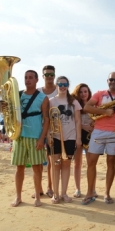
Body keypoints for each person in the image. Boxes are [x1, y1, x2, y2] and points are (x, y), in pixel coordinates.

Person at [81, 72, 115, 205]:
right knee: (91, 162)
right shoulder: (99, 94)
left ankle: (107, 193)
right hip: (98, 131)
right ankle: (89, 192)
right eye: (111, 79)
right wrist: (104, 112)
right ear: (107, 80)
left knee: (111, 162)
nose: (113, 81)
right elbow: (86, 107)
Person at [10, 70, 49, 207]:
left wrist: (42, 138)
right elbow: (10, 113)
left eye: (31, 77)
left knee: (37, 168)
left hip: (35, 136)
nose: (28, 80)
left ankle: (37, 196)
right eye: (26, 77)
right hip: (19, 136)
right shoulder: (17, 95)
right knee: (19, 168)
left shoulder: (43, 98)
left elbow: (46, 119)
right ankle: (18, 196)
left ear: (37, 80)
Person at [48, 76, 81, 204]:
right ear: (56, 85)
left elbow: (78, 121)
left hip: (70, 137)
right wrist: (48, 135)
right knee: (55, 165)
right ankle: (55, 194)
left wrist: (78, 138)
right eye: (60, 84)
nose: (62, 86)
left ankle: (64, 193)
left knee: (66, 165)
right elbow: (48, 120)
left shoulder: (74, 102)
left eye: (65, 84)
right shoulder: (51, 101)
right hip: (55, 137)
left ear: (68, 85)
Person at [71, 83, 96, 198]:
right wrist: (83, 127)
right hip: (78, 135)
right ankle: (77, 189)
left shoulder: (94, 104)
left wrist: (93, 126)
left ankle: (92, 189)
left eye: (85, 91)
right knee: (77, 163)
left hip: (91, 136)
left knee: (91, 163)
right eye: (81, 92)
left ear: (89, 92)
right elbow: (73, 121)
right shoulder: (75, 105)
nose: (83, 94)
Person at [38, 65, 58, 199]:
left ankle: (50, 187)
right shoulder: (38, 91)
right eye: (47, 75)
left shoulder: (59, 90)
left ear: (54, 76)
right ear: (43, 76)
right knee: (38, 160)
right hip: (38, 129)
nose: (49, 77)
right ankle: (38, 188)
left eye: (51, 75)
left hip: (54, 130)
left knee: (51, 160)